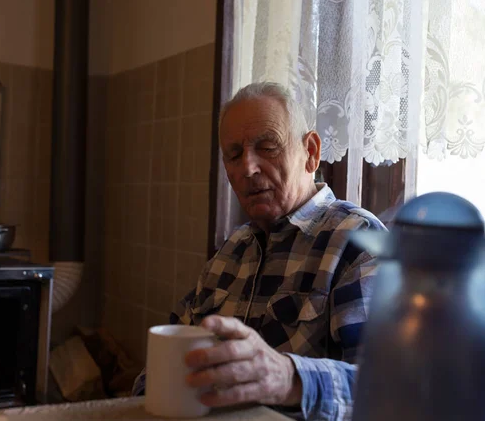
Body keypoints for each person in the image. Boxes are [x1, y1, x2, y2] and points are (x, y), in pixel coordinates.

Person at [131, 81, 387, 420]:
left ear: (310, 152)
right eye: (233, 155)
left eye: (267, 147)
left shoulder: (359, 243)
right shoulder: (230, 253)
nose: (247, 169)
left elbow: (390, 391)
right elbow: (168, 356)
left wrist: (287, 378)